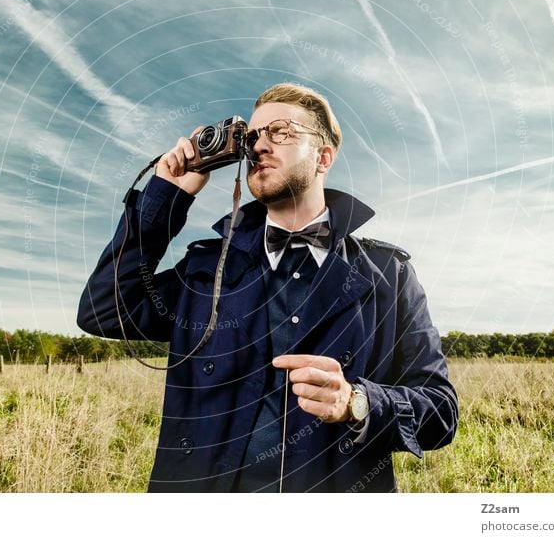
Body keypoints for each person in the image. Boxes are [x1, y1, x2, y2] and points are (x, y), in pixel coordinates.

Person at [77, 82, 458, 492]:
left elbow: (441, 411)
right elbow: (103, 310)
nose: (259, 145)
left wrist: (356, 402)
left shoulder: (389, 275)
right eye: (253, 136)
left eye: (281, 132)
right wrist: (163, 199)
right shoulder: (208, 267)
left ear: (323, 157)